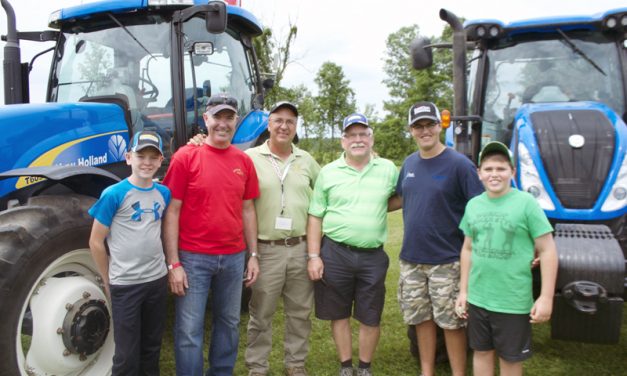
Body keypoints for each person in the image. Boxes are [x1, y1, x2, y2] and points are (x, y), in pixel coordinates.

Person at [163, 93, 260, 376]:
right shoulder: (185, 157)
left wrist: (252, 255)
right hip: (193, 258)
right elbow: (172, 212)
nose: (223, 123)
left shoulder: (243, 161)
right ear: (206, 119)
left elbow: (248, 209)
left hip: (232, 258)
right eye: (217, 116)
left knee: (229, 323)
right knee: (189, 329)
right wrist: (174, 263)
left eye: (229, 117)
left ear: (236, 121)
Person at [389, 101, 484, 376]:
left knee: (452, 322)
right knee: (421, 319)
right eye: (418, 126)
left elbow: (478, 208)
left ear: (439, 126)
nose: (424, 131)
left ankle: (457, 372)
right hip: (412, 260)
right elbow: (400, 198)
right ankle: (426, 371)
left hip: (448, 259)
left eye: (429, 124)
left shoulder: (459, 165)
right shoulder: (409, 163)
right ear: (411, 130)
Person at [307, 113, 399, 376]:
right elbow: (315, 215)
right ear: (343, 141)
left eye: (363, 134)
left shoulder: (388, 169)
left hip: (372, 256)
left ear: (371, 139)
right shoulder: (329, 172)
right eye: (352, 135)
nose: (357, 139)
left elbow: (402, 197)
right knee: (339, 312)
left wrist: (377, 208)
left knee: (371, 314)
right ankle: (346, 366)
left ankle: (365, 367)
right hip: (336, 252)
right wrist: (314, 255)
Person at [455, 141, 558, 376]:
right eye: (488, 169)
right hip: (479, 298)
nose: (494, 174)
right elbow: (468, 249)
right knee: (481, 352)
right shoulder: (473, 205)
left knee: (510, 359)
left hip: (512, 301)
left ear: (512, 173)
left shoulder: (527, 204)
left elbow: (547, 250)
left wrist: (546, 297)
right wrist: (463, 291)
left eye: (501, 169)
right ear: (479, 173)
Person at [245, 102, 321, 376]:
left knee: (300, 312)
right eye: (278, 120)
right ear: (268, 124)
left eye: (290, 121)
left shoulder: (306, 160)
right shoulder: (251, 157)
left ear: (296, 126)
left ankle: (295, 364)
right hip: (267, 249)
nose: (284, 126)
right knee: (261, 312)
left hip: (301, 247)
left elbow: (325, 194)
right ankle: (257, 366)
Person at [88, 130, 170, 376]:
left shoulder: (163, 193)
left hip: (156, 281)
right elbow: (95, 241)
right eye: (140, 155)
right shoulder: (114, 194)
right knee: (126, 352)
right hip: (125, 284)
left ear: (160, 160)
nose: (146, 162)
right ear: (128, 157)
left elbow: (158, 232)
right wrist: (107, 278)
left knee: (152, 345)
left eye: (152, 157)